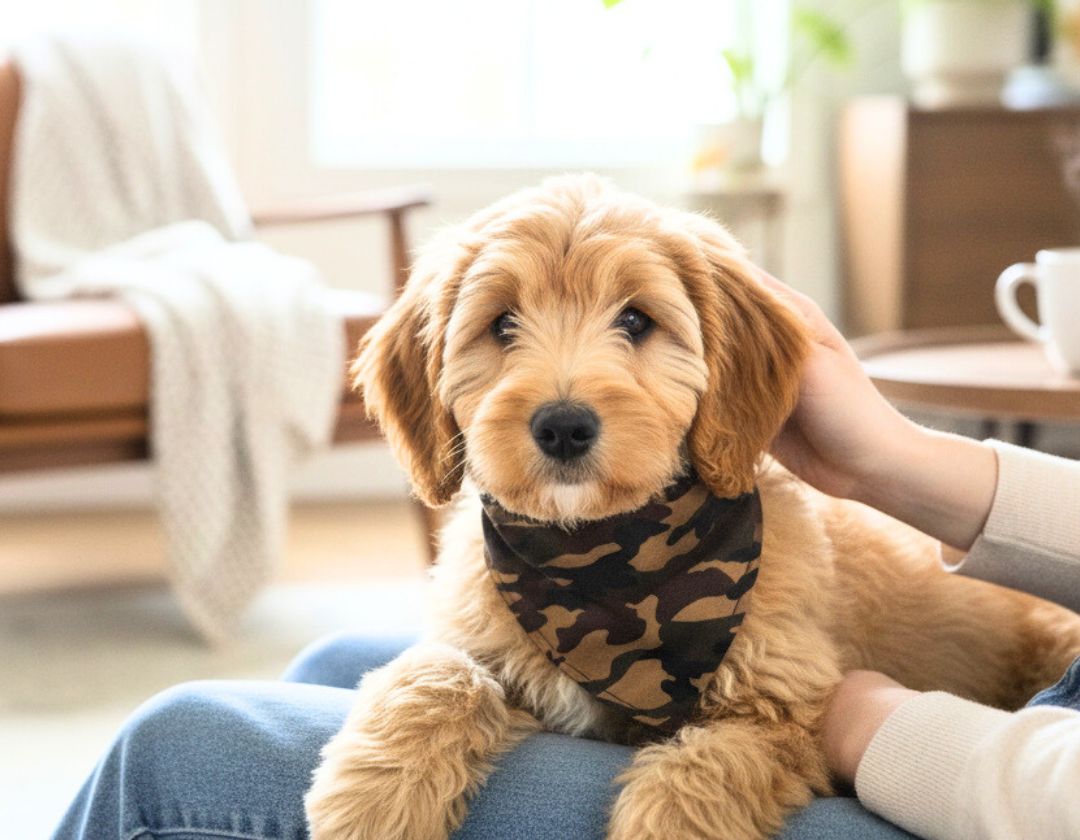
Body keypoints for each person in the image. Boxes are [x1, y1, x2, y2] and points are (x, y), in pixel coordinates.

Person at [50, 280, 1080, 840]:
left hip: (1009, 746)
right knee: (347, 673)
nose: (564, 394)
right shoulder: (491, 562)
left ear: (731, 367)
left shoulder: (770, 566)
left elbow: (776, 717)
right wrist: (902, 465)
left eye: (636, 322)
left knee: (174, 744)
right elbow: (485, 665)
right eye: (502, 324)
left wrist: (861, 724)